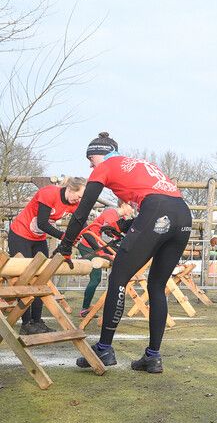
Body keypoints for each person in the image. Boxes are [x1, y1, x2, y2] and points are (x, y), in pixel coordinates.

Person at [54, 132, 192, 374]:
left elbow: (82, 211)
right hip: (183, 213)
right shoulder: (142, 164)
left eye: (90, 159)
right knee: (157, 286)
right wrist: (126, 227)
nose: (89, 165)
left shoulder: (104, 166)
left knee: (118, 277)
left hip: (158, 209)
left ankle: (104, 348)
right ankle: (153, 356)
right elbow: (156, 200)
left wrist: (65, 246)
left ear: (98, 154)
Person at [9, 177, 86, 334]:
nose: (78, 200)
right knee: (25, 278)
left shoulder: (74, 203)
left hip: (38, 238)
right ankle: (26, 323)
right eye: (78, 196)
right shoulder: (49, 193)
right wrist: (63, 236)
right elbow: (42, 223)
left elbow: (82, 223)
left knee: (43, 277)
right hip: (20, 235)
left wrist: (95, 245)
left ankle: (37, 321)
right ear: (70, 189)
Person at [76, 200, 135, 317]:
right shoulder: (111, 213)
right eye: (131, 207)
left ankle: (97, 304)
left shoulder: (119, 217)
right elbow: (107, 233)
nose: (132, 210)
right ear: (123, 204)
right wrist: (108, 254)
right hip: (89, 246)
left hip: (99, 246)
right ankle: (84, 308)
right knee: (96, 278)